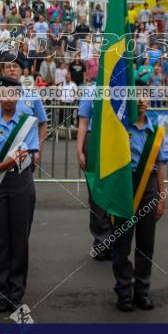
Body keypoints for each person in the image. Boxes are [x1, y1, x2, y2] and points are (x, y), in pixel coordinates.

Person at [0, 76, 40, 312]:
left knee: (19, 240)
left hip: (20, 182)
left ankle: (16, 292)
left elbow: (23, 157)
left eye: (13, 94)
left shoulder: (28, 123)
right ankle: (0, 292)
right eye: (4, 93)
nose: (9, 98)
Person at [113, 96, 166, 312]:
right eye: (136, 97)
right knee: (122, 243)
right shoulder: (119, 128)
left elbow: (160, 165)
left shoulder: (155, 132)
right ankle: (123, 292)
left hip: (148, 189)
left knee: (146, 244)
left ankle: (142, 291)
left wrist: (161, 197)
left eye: (145, 97)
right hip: (124, 188)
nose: (141, 101)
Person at [76, 94, 112, 260]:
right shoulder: (90, 90)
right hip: (93, 139)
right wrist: (79, 150)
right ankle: (101, 242)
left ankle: (116, 240)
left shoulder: (119, 87)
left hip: (114, 140)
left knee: (114, 194)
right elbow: (83, 122)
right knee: (96, 196)